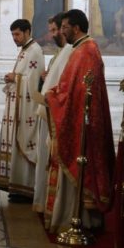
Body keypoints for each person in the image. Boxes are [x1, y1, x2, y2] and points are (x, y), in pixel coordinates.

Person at [45, 9, 115, 233]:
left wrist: (53, 96)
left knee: (83, 165)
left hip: (82, 121)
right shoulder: (82, 49)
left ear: (76, 28)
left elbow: (80, 91)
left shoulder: (86, 51)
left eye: (65, 27)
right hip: (78, 116)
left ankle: (84, 220)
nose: (62, 32)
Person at [0, 19, 45, 200]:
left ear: (27, 32)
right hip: (18, 106)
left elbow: (33, 82)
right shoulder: (25, 50)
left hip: (27, 109)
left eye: (17, 34)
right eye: (12, 35)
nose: (14, 38)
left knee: (23, 143)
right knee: (15, 145)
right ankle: (16, 186)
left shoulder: (35, 51)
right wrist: (14, 77)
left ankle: (26, 189)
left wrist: (15, 78)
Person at [32, 13, 72, 224]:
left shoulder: (70, 52)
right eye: (53, 30)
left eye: (56, 30)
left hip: (55, 113)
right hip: (48, 111)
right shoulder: (60, 54)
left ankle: (51, 204)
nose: (54, 34)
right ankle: (43, 200)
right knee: (44, 159)